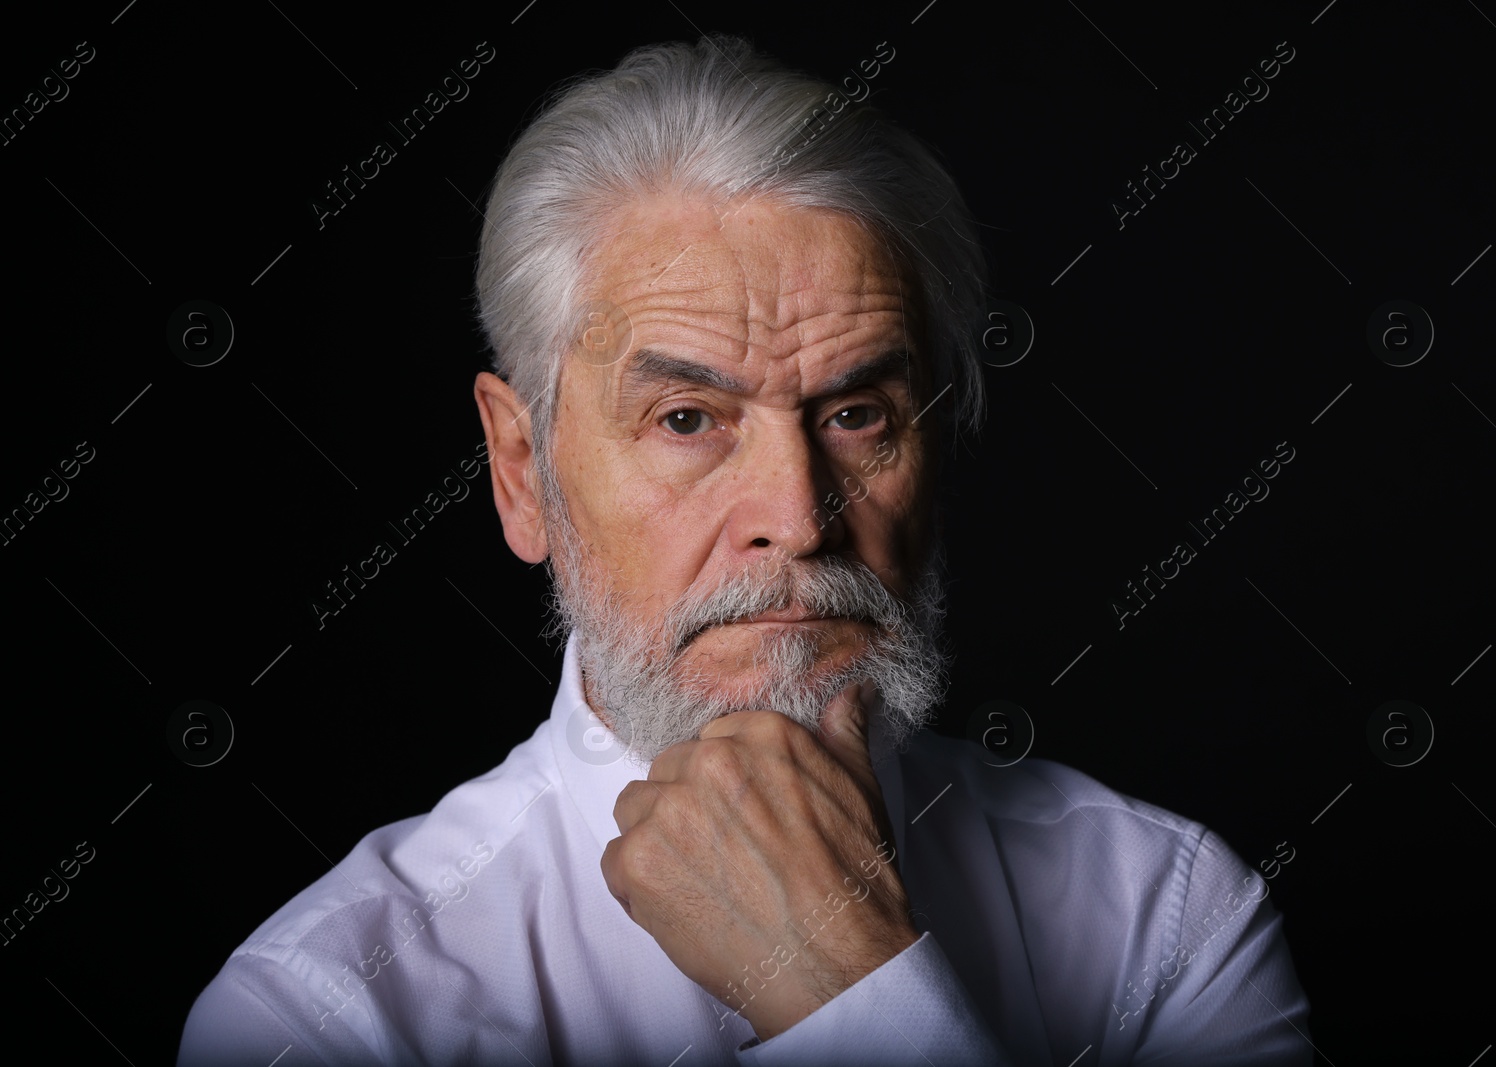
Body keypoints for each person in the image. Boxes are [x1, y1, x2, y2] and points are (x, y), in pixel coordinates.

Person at [178, 35, 1310, 1066]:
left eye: (856, 412)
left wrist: (844, 981)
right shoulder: (324, 1017)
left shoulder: (1166, 918)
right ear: (523, 473)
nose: (799, 517)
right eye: (686, 419)